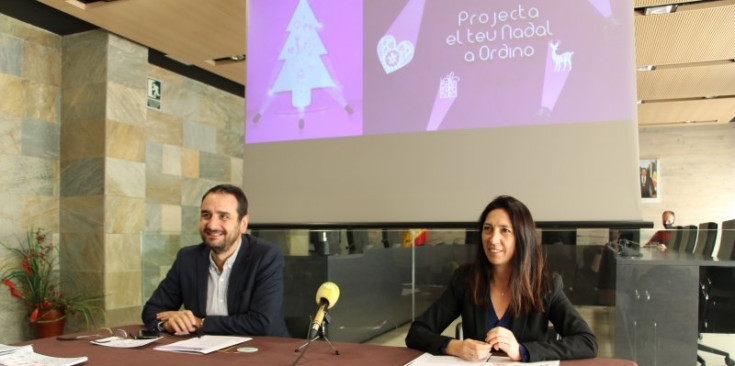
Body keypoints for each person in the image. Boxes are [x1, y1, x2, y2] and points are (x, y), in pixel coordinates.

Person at [405, 195, 597, 362]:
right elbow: (417, 333)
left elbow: (587, 341)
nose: (492, 239)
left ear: (522, 238)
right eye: (488, 229)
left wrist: (522, 351)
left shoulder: (545, 285)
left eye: (505, 230)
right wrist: (454, 346)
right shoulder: (466, 280)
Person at [141, 184, 290, 337]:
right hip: (204, 352)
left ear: (243, 224)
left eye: (223, 216)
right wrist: (168, 322)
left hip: (263, 352)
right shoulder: (187, 258)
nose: (212, 225)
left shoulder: (266, 256)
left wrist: (200, 323)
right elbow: (152, 310)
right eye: (206, 215)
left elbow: (263, 322)